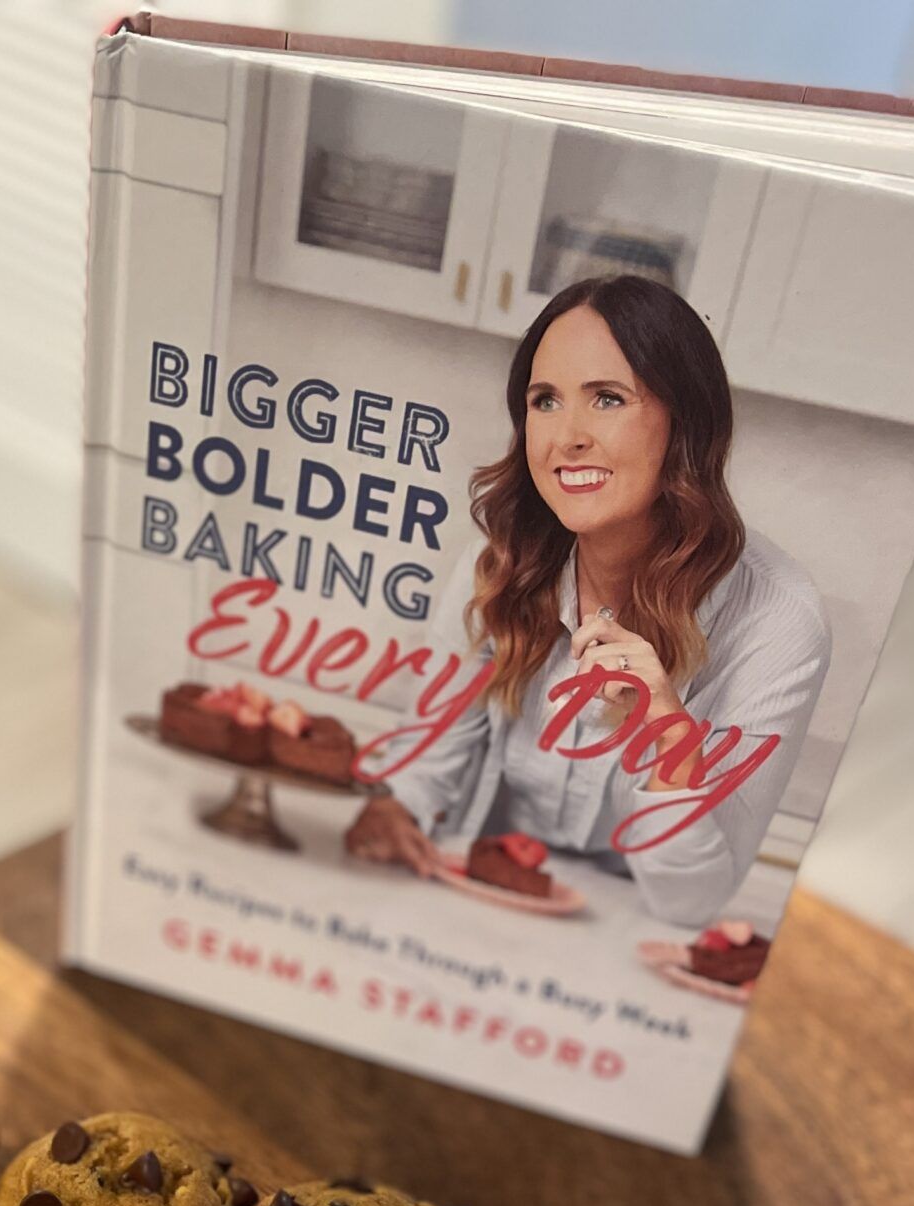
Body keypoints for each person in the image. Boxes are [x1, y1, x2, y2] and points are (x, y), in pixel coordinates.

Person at [347, 274, 830, 927]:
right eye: (544, 401)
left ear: (686, 422)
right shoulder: (500, 564)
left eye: (606, 398)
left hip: (629, 958)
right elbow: (429, 766)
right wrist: (393, 808)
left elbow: (692, 902)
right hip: (469, 908)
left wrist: (668, 736)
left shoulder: (777, 621)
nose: (567, 435)